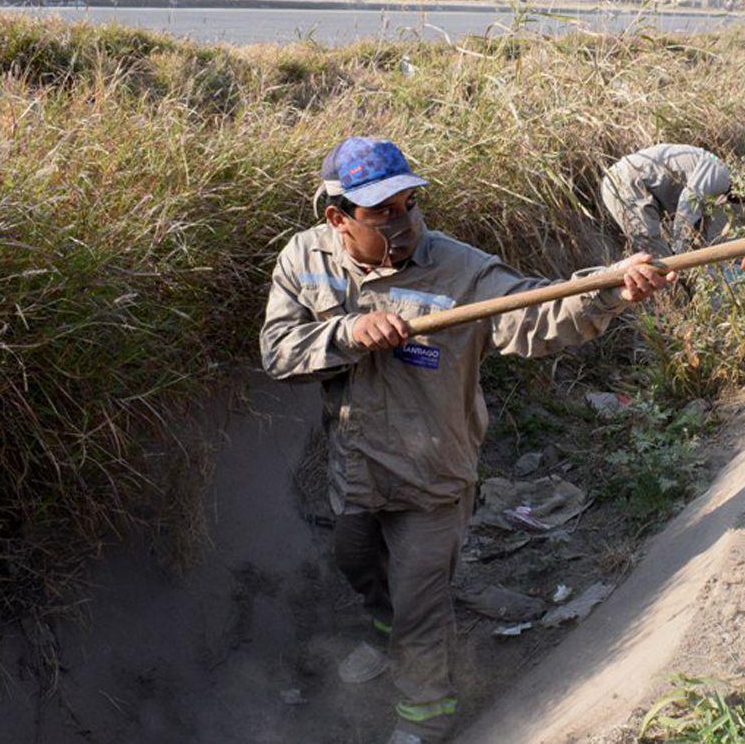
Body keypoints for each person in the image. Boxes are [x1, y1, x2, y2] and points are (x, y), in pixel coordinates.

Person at [259, 137, 674, 744]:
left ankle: (424, 719)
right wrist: (349, 332)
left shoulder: (459, 269)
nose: (403, 224)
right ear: (337, 218)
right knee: (358, 567)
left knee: (420, 600)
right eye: (383, 213)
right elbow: (277, 351)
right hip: (355, 469)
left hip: (434, 472)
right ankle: (386, 633)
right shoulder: (304, 258)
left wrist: (607, 288)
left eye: (409, 205)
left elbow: (534, 312)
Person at [598, 144, 734, 258]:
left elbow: (698, 225)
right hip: (624, 181)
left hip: (629, 179)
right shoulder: (721, 174)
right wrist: (680, 250)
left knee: (663, 258)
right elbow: (687, 205)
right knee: (657, 256)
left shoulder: (718, 183)